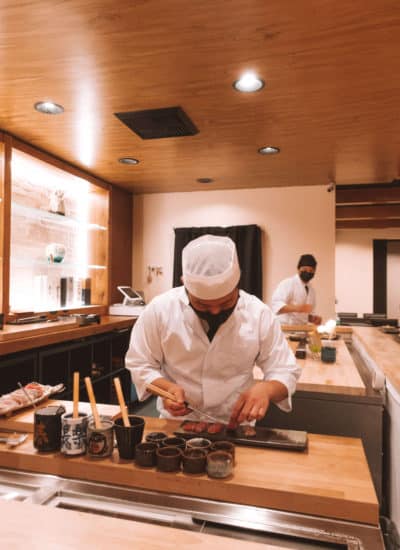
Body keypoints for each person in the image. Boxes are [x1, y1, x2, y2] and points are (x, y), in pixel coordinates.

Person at [125, 235, 300, 426]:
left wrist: (266, 389)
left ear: (237, 284)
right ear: (185, 284)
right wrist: (165, 389)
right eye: (202, 304)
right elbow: (140, 363)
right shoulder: (160, 310)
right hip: (177, 423)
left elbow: (284, 370)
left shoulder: (259, 314)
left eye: (226, 302)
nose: (215, 311)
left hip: (235, 424)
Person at [271, 254, 322, 326]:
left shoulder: (311, 290)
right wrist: (297, 308)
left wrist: (313, 319)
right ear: (298, 269)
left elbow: (304, 315)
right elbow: (276, 305)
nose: (308, 272)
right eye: (304, 269)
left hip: (301, 330)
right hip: (285, 328)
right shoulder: (288, 283)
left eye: (311, 270)